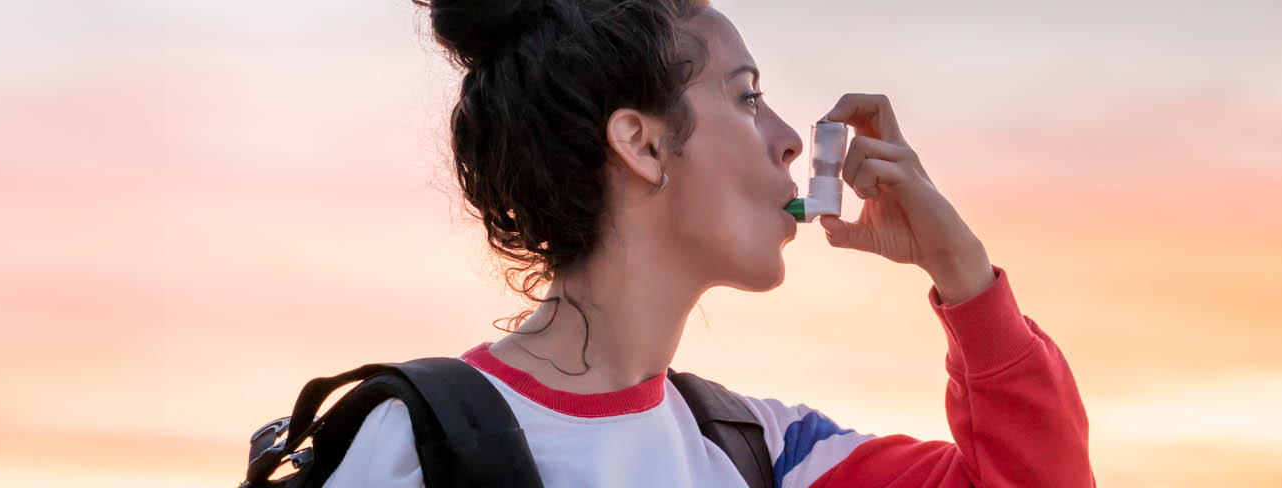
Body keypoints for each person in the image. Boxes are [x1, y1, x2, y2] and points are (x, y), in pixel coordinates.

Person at [318, 0, 1093, 486]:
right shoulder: (421, 446)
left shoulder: (772, 455)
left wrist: (964, 275)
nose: (792, 141)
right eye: (747, 96)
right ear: (643, 144)